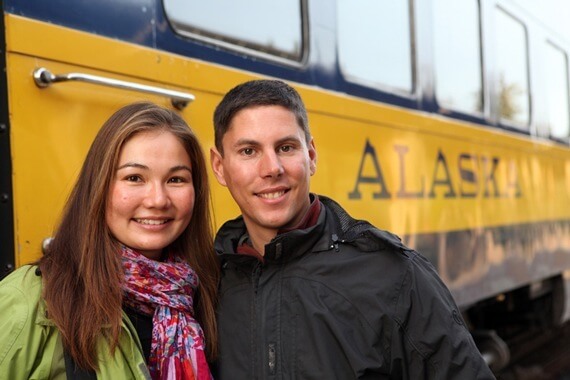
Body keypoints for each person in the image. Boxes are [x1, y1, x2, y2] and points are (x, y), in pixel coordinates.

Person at [209, 79, 496, 379]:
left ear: (311, 156)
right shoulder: (210, 281)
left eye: (286, 147)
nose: (272, 168)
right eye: (248, 151)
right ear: (219, 166)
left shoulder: (392, 275)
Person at [0, 102, 219, 379]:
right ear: (99, 186)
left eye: (175, 179)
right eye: (134, 177)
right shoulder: (28, 301)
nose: (157, 200)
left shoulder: (209, 297)